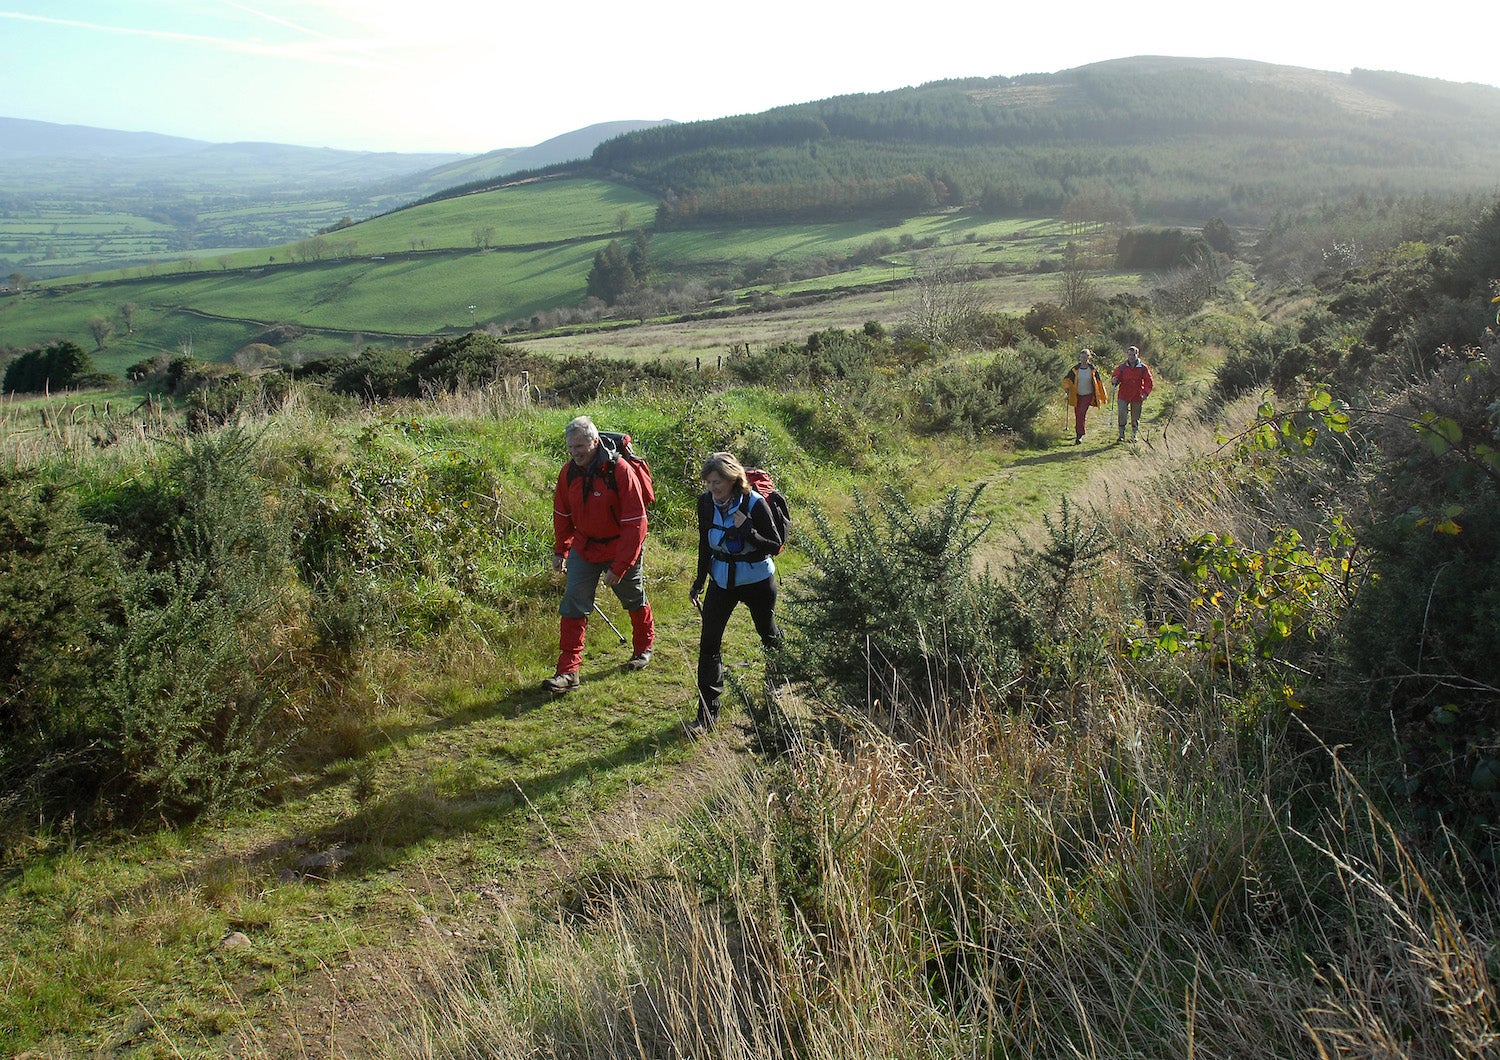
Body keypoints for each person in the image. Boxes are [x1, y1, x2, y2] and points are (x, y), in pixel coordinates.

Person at [542, 415, 654, 693]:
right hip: (584, 546)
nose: (575, 453)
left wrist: (621, 565)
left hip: (620, 546)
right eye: (571, 447)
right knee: (572, 605)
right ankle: (568, 672)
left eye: (580, 446)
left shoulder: (620, 471)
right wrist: (561, 549)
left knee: (633, 598)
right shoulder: (568, 472)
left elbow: (636, 522)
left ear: (595, 442)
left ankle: (643, 648)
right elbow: (562, 513)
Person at [687, 452, 783, 735]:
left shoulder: (754, 503)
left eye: (717, 482)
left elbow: (774, 545)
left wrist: (749, 532)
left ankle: (778, 678)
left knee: (767, 632)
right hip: (721, 582)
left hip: (757, 581)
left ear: (732, 479)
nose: (712, 489)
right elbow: (705, 545)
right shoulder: (705, 504)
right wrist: (699, 581)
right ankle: (706, 716)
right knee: (709, 644)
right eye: (708, 483)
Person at [1111, 345, 1155, 442]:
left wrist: (1145, 393)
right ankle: (1121, 435)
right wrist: (1115, 379)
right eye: (1129, 355)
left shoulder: (1143, 368)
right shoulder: (1122, 367)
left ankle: (1134, 435)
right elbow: (1116, 376)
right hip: (1123, 394)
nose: (1131, 357)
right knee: (1122, 413)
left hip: (1137, 395)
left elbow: (1149, 381)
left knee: (1135, 416)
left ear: (1137, 355)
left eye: (1133, 355)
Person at [1063, 348, 1106, 444]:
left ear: (1089, 358)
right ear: (1080, 357)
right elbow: (1066, 379)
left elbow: (1099, 383)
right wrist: (1067, 387)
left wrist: (1102, 396)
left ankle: (1079, 435)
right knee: (1078, 414)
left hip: (1088, 395)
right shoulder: (1075, 369)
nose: (1083, 359)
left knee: (1081, 413)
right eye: (1081, 357)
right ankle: (1079, 430)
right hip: (1076, 395)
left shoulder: (1093, 370)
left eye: (1085, 357)